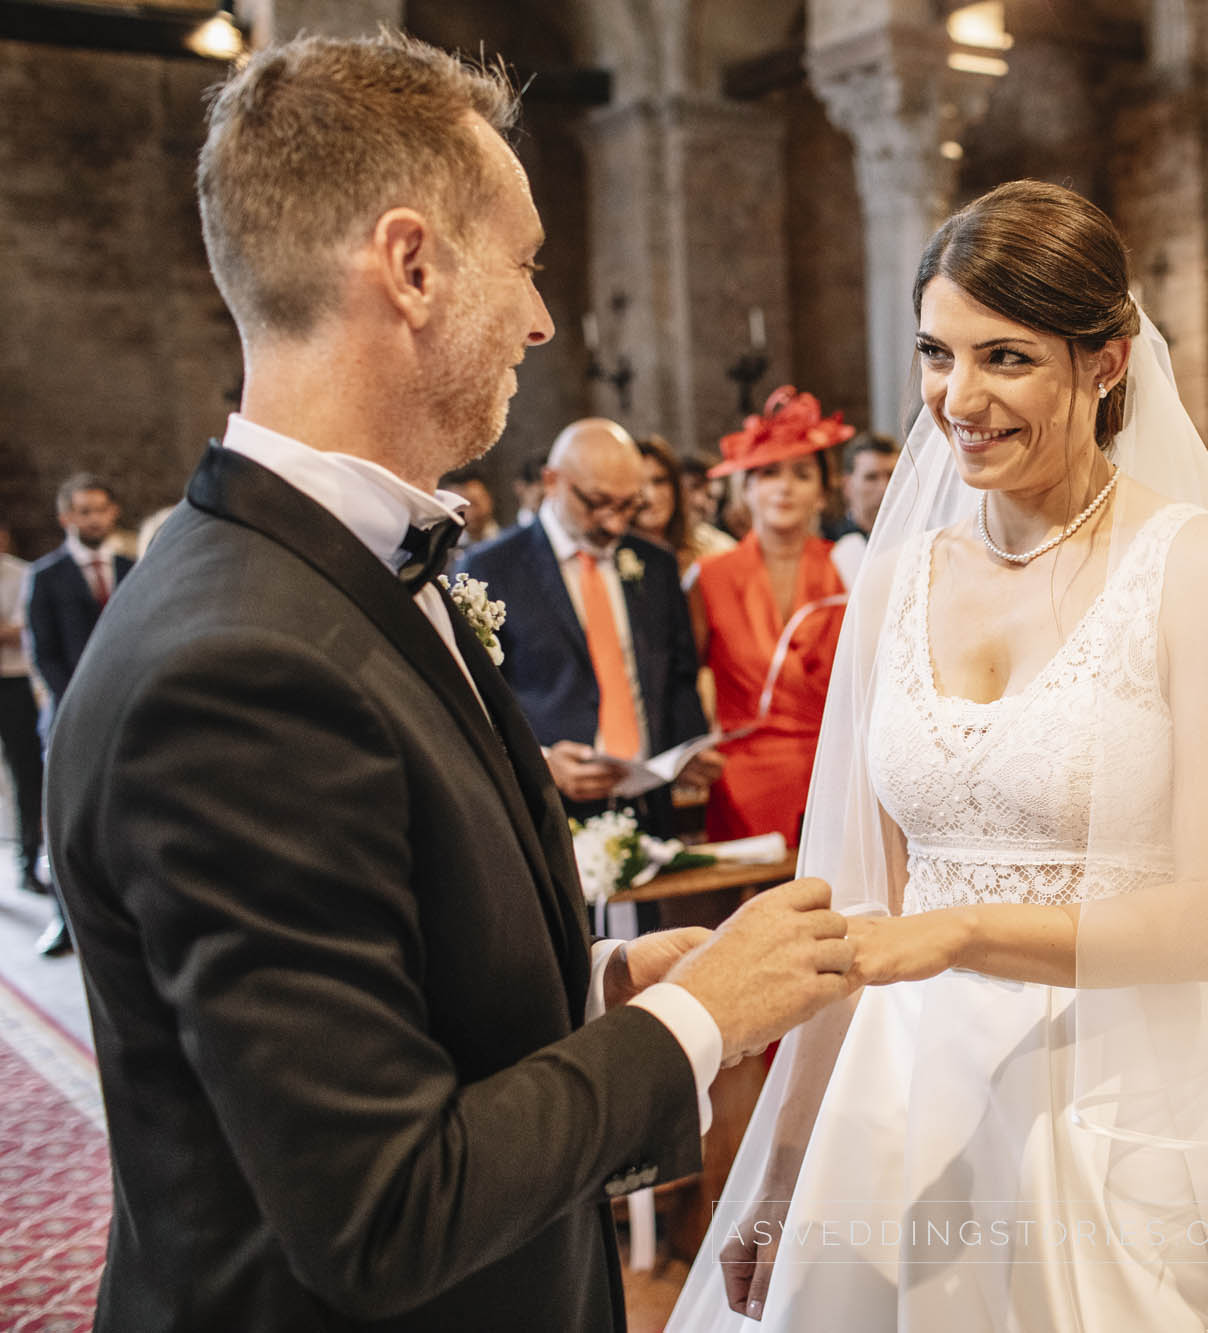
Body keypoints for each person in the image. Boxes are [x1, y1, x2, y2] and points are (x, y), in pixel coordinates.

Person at [43, 35, 855, 1332]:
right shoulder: (233, 671)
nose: (542, 318)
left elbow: (390, 973)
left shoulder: (346, 565)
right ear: (412, 266)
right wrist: (700, 1016)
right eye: (525, 262)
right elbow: (385, 1209)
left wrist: (601, 989)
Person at [666, 180, 1208, 1332]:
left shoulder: (1194, 569)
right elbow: (849, 908)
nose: (957, 398)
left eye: (1006, 358)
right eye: (936, 353)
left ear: (1106, 362)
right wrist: (780, 1165)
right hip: (896, 1105)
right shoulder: (893, 579)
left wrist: (960, 930)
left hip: (1124, 1110)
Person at [460, 418, 717, 829]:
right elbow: (472, 702)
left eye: (628, 505)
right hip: (550, 813)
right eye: (597, 503)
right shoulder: (490, 569)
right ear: (552, 481)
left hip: (648, 807)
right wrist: (542, 763)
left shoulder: (655, 564)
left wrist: (686, 750)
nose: (613, 523)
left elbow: (677, 676)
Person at [688, 387, 852, 846]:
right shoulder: (708, 578)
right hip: (741, 781)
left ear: (822, 491)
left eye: (802, 474)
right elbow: (678, 680)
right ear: (746, 488)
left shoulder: (849, 568)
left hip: (836, 774)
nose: (784, 487)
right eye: (769, 473)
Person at [26, 473, 132, 956]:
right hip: (69, 713)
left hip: (126, 712)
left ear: (113, 513)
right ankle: (65, 922)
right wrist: (77, 704)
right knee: (68, 822)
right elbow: (44, 652)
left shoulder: (132, 568)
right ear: (66, 517)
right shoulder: (46, 576)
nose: (93, 519)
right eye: (83, 511)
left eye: (100, 509)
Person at [0, 521, 44, 897]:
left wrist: (12, 632)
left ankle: (28, 862)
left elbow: (22, 632)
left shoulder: (26, 575)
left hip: (14, 685)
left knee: (26, 774)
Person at [829, 432, 898, 586]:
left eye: (892, 476)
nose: (885, 488)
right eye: (871, 477)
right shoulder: (829, 542)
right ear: (847, 485)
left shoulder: (917, 539)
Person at [678, 444, 738, 572]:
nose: (699, 501)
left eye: (711, 496)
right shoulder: (651, 541)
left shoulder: (723, 549)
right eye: (694, 487)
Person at [443, 468, 501, 544]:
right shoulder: (441, 547)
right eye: (459, 507)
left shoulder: (509, 539)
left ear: (490, 499)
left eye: (474, 504)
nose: (469, 514)